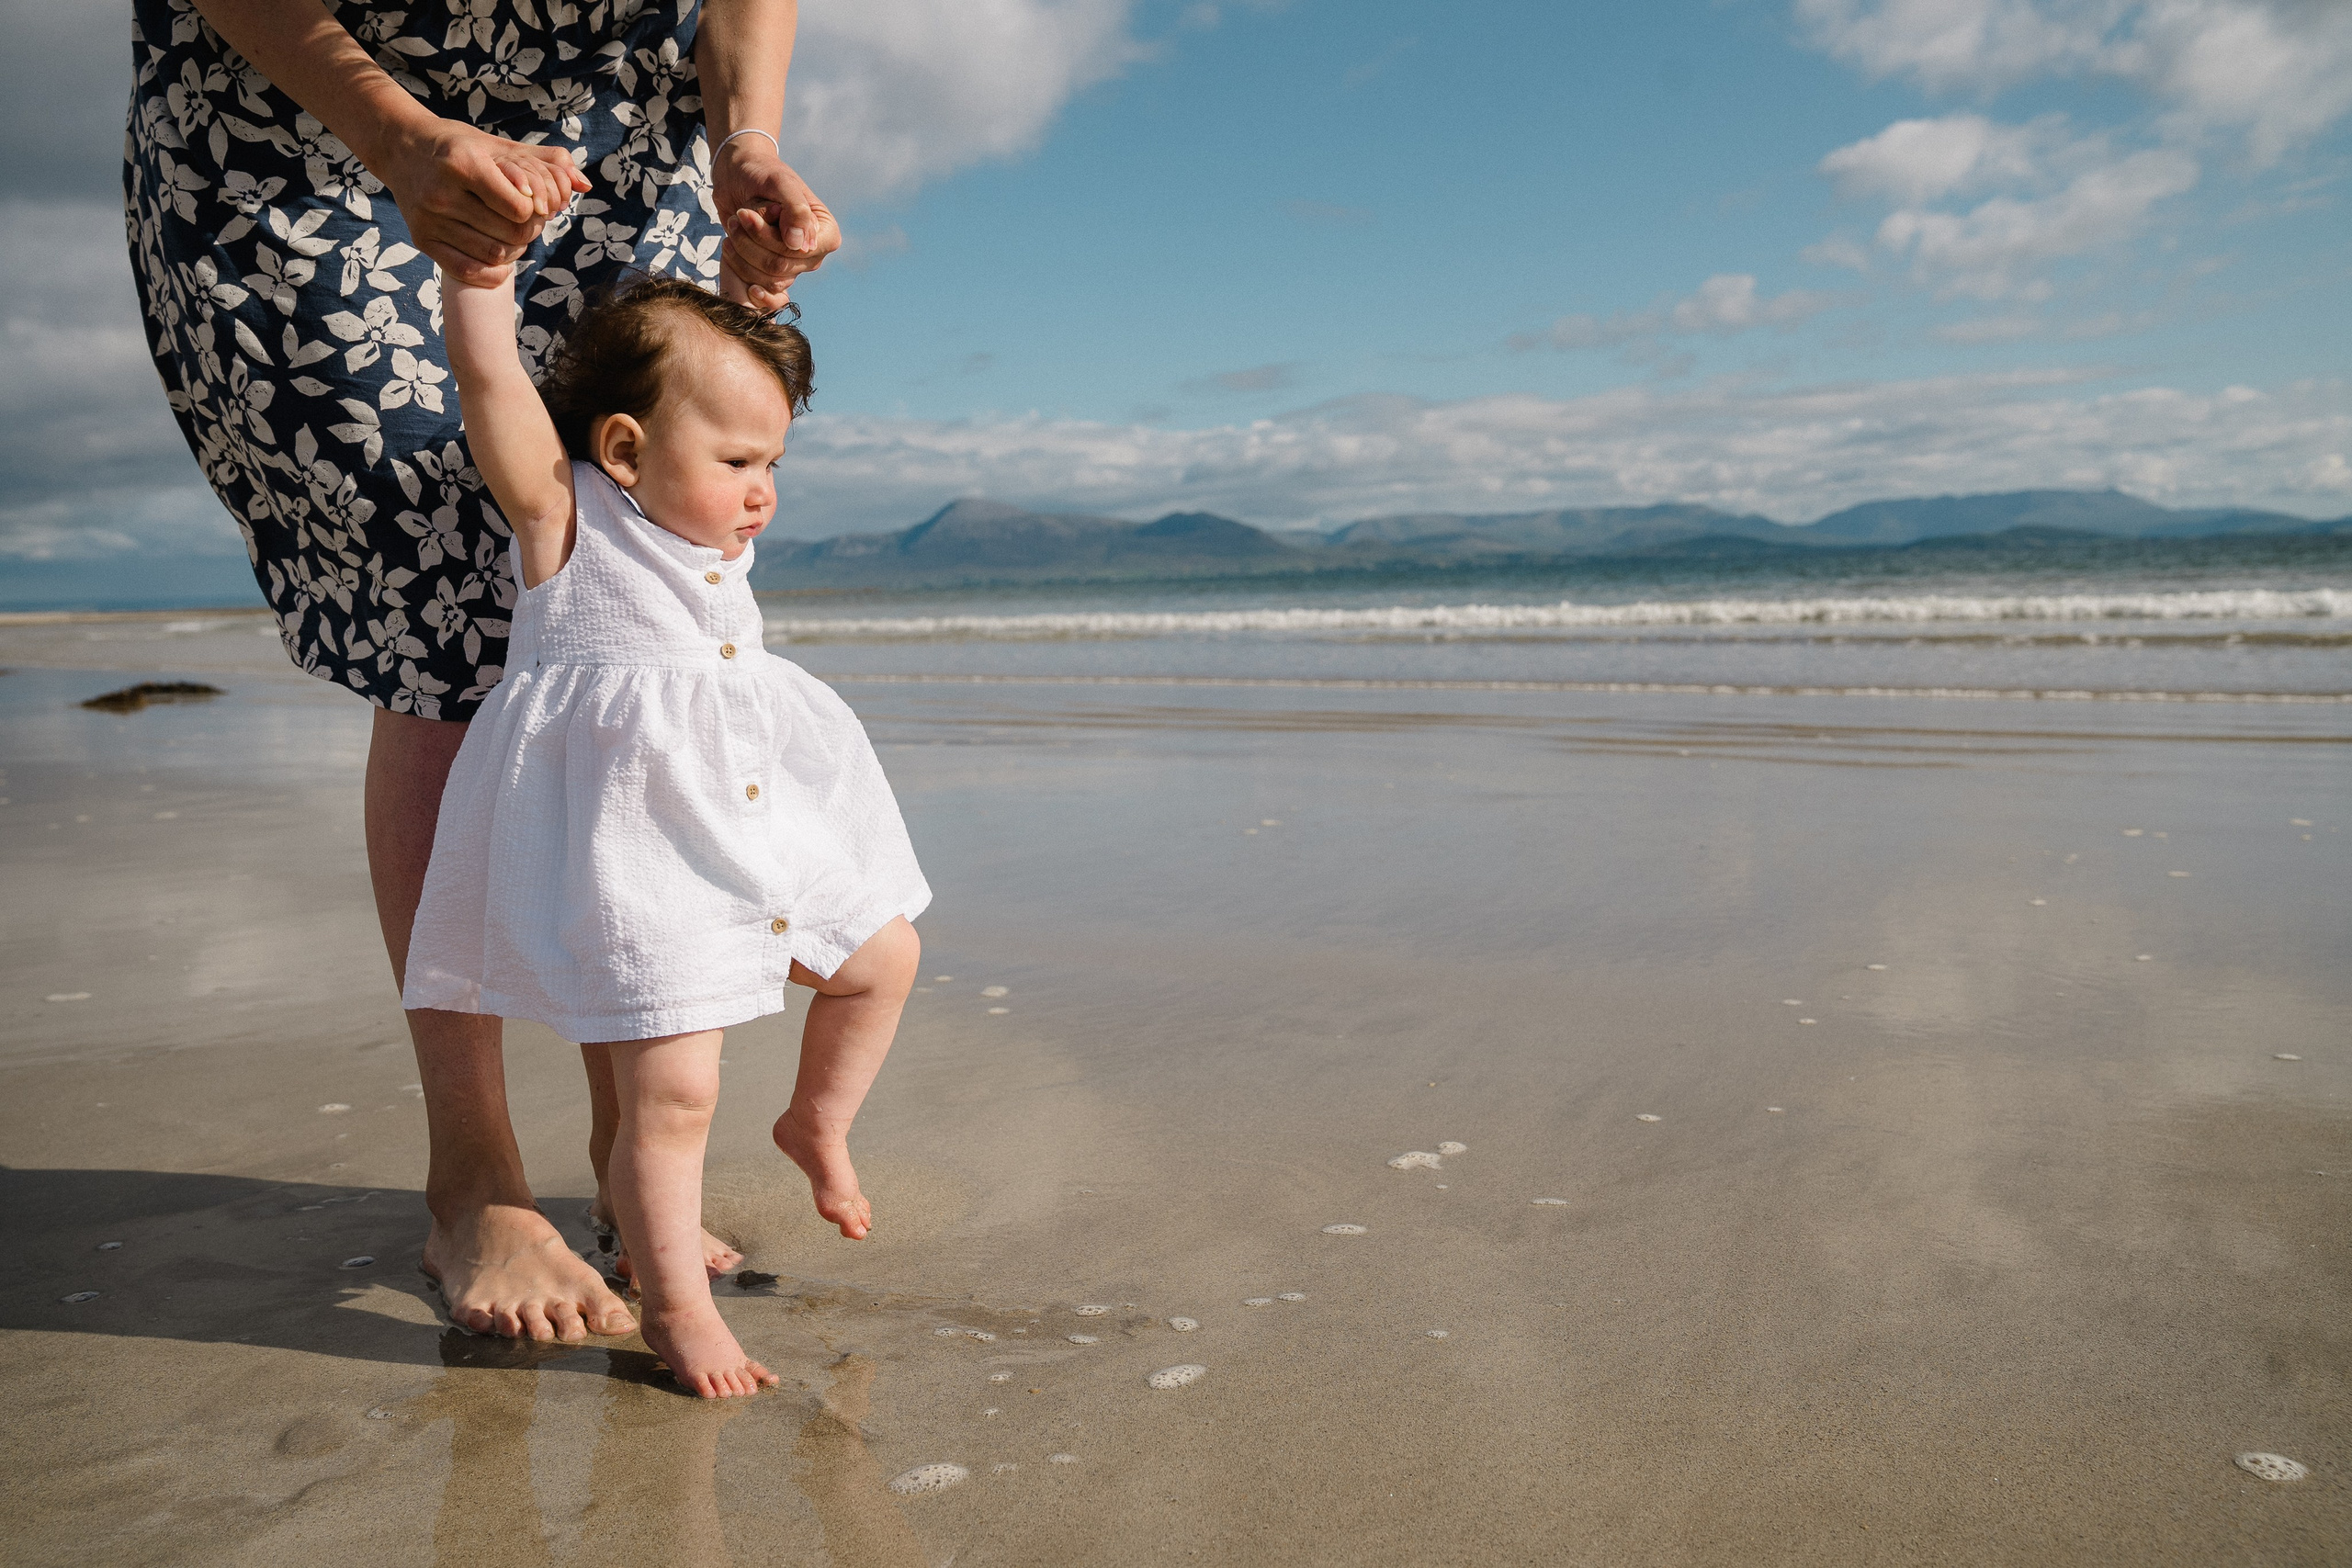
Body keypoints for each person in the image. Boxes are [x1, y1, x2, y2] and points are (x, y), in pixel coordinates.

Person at [125, 0, 842, 1340]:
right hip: (306, 134)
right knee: (454, 615)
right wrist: (400, 139)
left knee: (639, 567)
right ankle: (475, 1173)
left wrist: (744, 138)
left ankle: (636, 1152)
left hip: (617, 132)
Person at [401, 262, 926, 1396]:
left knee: (885, 957)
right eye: (737, 463)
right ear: (625, 450)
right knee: (676, 1093)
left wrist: (750, 286)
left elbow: (723, 371)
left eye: (773, 464)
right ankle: (676, 1310)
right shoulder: (568, 522)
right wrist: (479, 282)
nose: (762, 492)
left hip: (757, 836)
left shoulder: (715, 544)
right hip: (647, 871)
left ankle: (815, 1123)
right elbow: (493, 387)